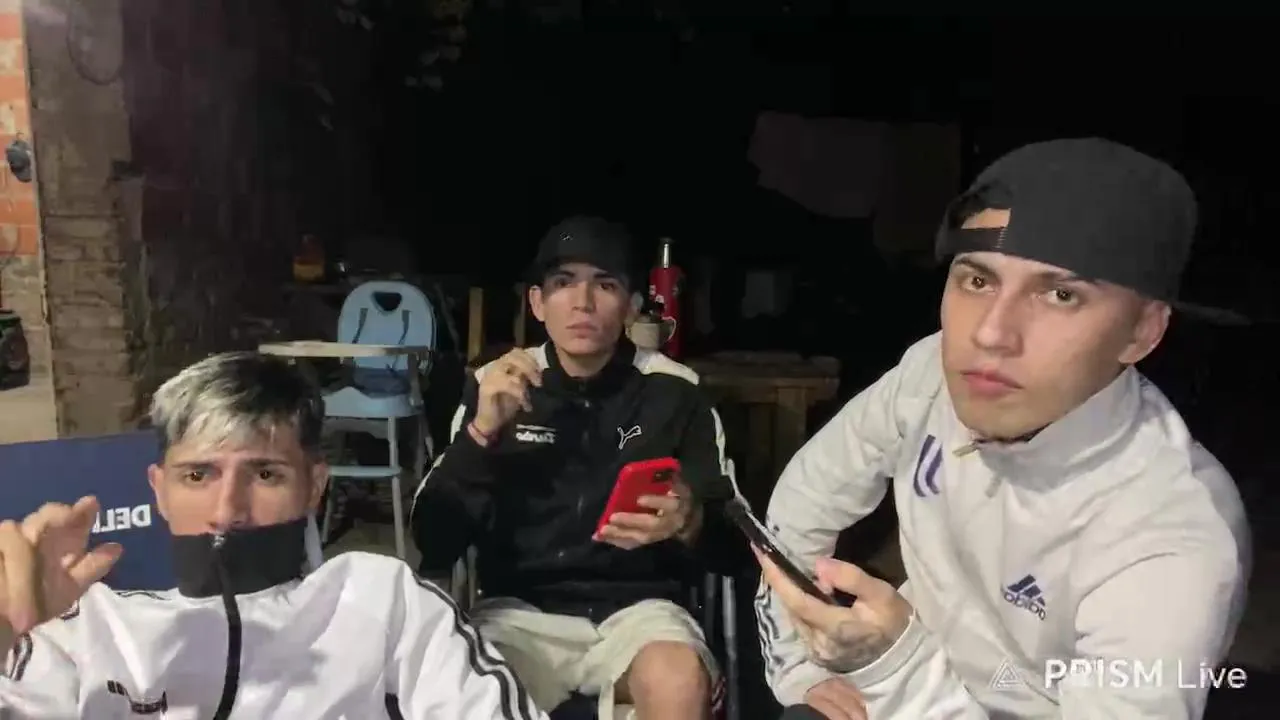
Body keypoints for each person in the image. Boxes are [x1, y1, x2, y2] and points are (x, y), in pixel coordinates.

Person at [753, 138, 1251, 719]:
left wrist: (894, 667)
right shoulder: (931, 374)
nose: (990, 334)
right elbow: (810, 493)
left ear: (1141, 332)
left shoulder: (1174, 538)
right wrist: (798, 666)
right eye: (978, 281)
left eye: (1061, 294)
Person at [0, 352, 545, 719]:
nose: (228, 511)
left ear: (314, 487)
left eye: (265, 474)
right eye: (198, 475)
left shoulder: (382, 602)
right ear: (159, 490)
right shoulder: (82, 629)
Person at [411, 216, 734, 720]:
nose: (582, 303)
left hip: (641, 612)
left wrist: (691, 521)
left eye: (604, 285)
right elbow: (433, 539)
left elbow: (736, 546)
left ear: (632, 306)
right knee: (463, 688)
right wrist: (481, 433)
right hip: (517, 612)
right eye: (563, 283)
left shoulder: (675, 392)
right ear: (538, 303)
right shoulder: (496, 384)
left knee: (679, 679)